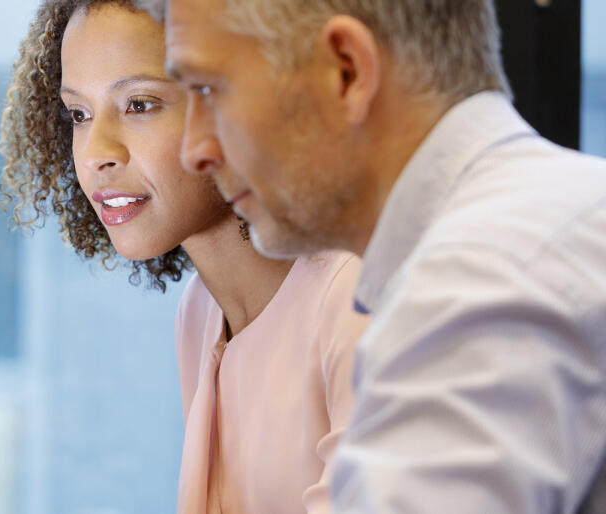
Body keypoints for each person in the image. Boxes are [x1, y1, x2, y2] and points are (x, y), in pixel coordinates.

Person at [136, 0, 606, 511]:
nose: (196, 151)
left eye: (209, 90)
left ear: (346, 70)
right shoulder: (553, 216)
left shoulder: (485, 278)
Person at [0, 0, 367, 511]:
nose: (96, 153)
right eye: (79, 114)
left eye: (139, 104)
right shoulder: (201, 313)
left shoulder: (356, 296)